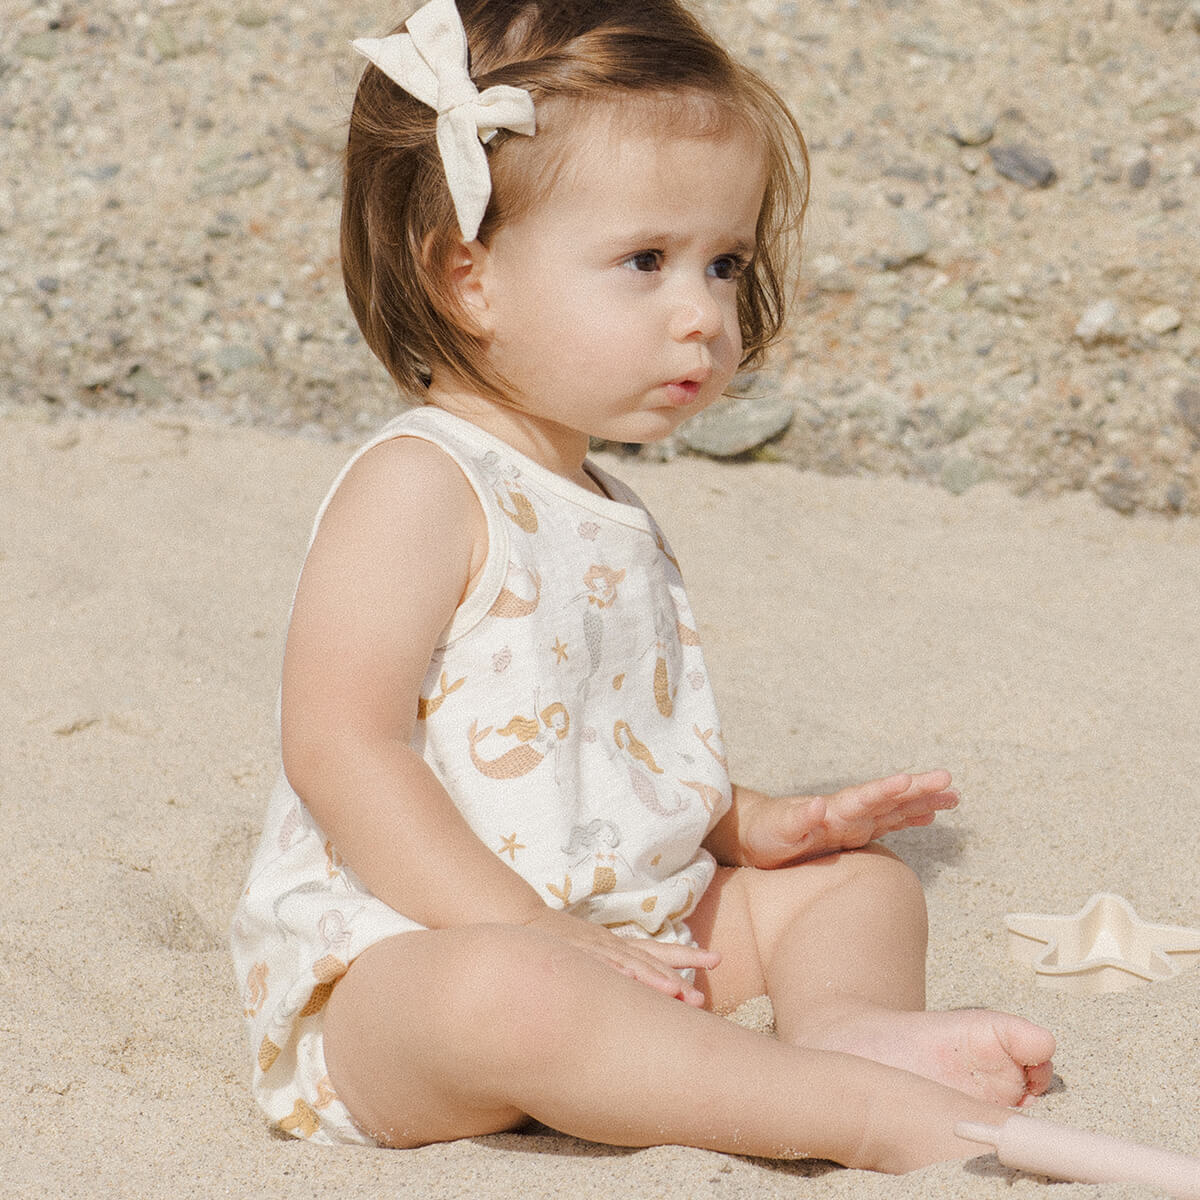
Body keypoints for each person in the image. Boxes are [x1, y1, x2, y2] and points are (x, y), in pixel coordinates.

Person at [230, 0, 1055, 1173]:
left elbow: (595, 747)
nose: (704, 316)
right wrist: (527, 926)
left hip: (627, 937)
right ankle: (842, 1109)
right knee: (510, 995)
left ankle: (845, 1029)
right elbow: (341, 748)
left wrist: (749, 822)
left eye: (725, 264)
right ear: (469, 277)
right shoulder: (419, 484)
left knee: (854, 888)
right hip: (413, 967)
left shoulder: (605, 505)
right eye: (646, 263)